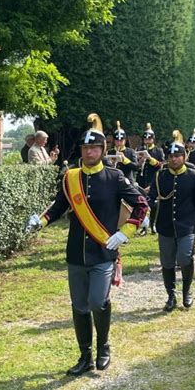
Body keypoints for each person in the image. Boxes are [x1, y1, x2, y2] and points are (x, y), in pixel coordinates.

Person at [25, 114, 148, 375]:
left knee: (97, 302)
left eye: (94, 147)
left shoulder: (114, 177)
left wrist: (124, 233)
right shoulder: (71, 178)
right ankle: (85, 356)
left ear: (102, 150)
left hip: (103, 252)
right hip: (76, 255)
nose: (90, 151)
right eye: (85, 147)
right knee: (79, 306)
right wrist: (41, 221)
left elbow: (142, 205)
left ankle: (104, 346)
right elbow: (59, 207)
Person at [148, 132, 195, 311]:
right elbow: (150, 197)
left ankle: (186, 292)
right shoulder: (160, 176)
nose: (174, 159)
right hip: (165, 226)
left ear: (184, 156)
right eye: (171, 156)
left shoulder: (193, 176)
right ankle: (171, 295)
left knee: (183, 258)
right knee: (166, 262)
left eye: (177, 156)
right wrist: (145, 212)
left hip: (186, 226)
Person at [135, 123, 165, 235]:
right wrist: (140, 161)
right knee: (140, 203)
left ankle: (153, 225)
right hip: (141, 179)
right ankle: (143, 226)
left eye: (149, 139)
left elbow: (161, 165)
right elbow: (135, 165)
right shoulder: (139, 149)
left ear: (153, 139)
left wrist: (150, 159)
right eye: (145, 139)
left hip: (153, 180)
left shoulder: (158, 151)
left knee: (153, 204)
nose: (147, 141)